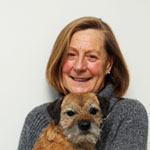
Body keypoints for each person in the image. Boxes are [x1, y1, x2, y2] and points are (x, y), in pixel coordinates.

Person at [18, 17, 148, 150]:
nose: (79, 66)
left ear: (108, 65)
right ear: (59, 62)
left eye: (92, 56)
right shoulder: (37, 117)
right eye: (71, 55)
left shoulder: (127, 112)